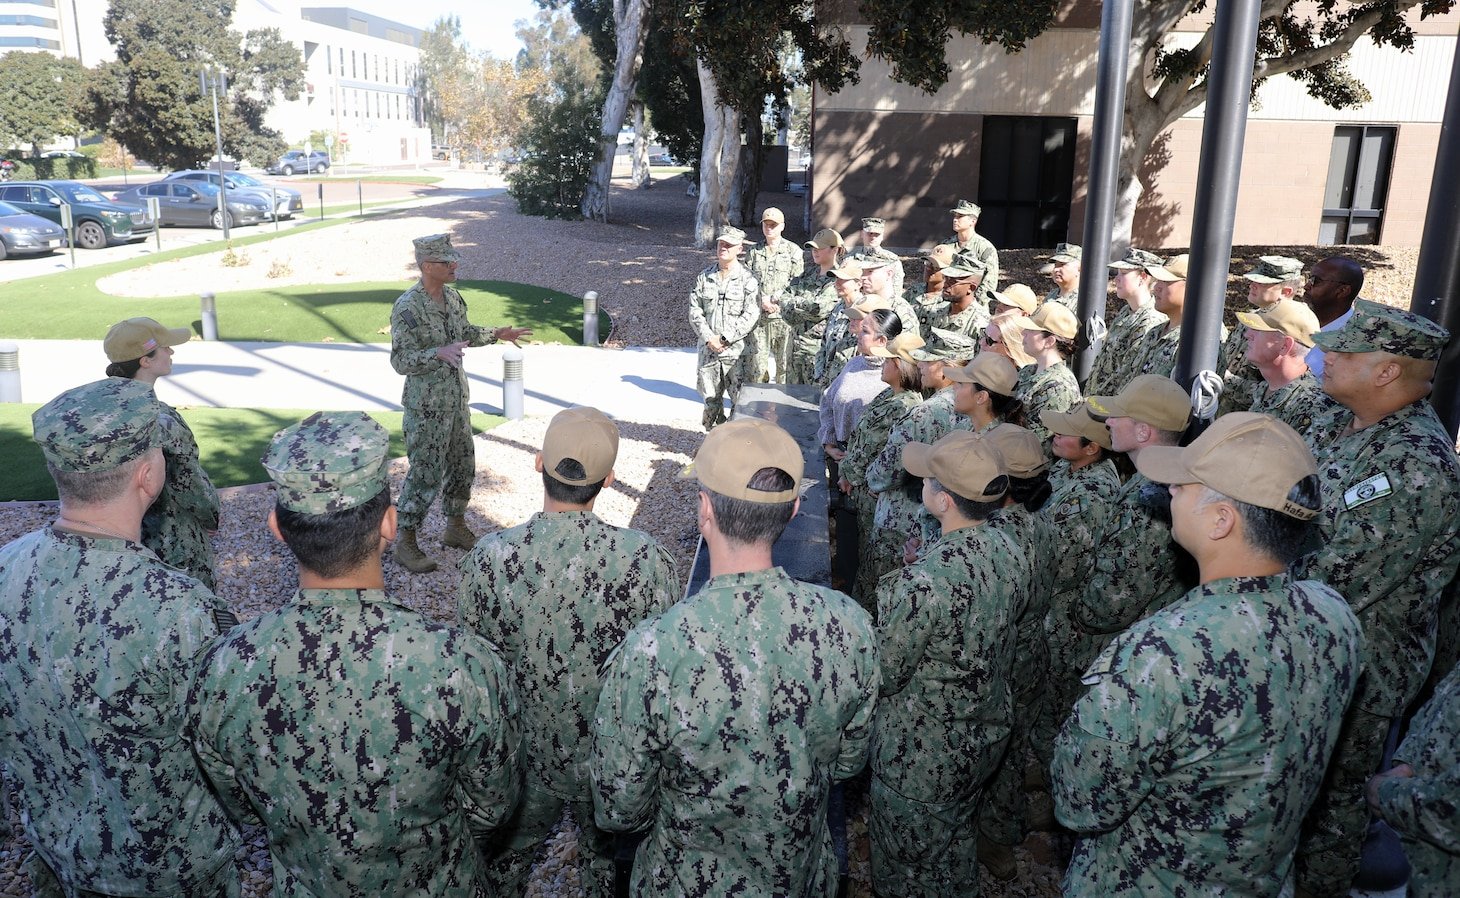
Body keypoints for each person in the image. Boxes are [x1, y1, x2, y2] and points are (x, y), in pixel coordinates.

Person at [187, 411, 523, 897]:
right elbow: (492, 804)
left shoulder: (225, 666)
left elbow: (240, 800)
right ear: (390, 524)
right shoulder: (461, 663)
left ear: (277, 528)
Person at [1054, 412, 1363, 895]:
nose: (1171, 490)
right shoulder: (1333, 616)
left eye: (1184, 484)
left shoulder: (1159, 653)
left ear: (1222, 521)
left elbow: (1080, 802)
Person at [592, 418, 881, 897]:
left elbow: (619, 807)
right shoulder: (849, 626)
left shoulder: (654, 649)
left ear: (704, 510)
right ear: (792, 512)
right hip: (801, 875)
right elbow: (848, 763)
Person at [2, 378, 240, 896]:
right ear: (148, 474)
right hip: (169, 871)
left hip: (58, 851)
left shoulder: (5, 569)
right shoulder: (181, 608)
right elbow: (231, 760)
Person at [459, 407, 679, 897]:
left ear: (538, 463)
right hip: (608, 762)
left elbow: (475, 674)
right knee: (608, 872)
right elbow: (656, 671)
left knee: (497, 871)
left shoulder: (491, 558)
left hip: (520, 758)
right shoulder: (645, 559)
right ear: (610, 479)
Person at [1292, 300, 1460, 898]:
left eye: (1344, 351)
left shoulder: (1417, 465)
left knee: (1331, 817)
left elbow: (1339, 577)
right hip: (1302, 645)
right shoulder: (1336, 420)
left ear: (1387, 371)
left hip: (1358, 669)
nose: (1326, 358)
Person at [870, 431, 1024, 898]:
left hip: (921, 756)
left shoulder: (923, 583)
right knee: (953, 845)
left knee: (906, 871)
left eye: (927, 479)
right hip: (984, 735)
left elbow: (887, 670)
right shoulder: (1011, 549)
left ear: (942, 500)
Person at [390, 232, 533, 573]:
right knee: (424, 473)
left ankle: (454, 527)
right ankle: (406, 541)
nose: (454, 265)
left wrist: (496, 334)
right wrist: (435, 353)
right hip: (426, 408)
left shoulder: (453, 299)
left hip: (456, 403)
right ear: (426, 266)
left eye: (454, 259)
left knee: (462, 466)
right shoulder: (408, 307)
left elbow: (464, 331)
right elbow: (400, 360)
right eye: (446, 261)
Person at [1070, 375, 1197, 686]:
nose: (1108, 422)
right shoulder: (1156, 483)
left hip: (1122, 659)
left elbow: (1110, 604)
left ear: (1143, 431)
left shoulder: (1152, 500)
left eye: (1117, 416)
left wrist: (1072, 613)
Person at [977, 424, 1057, 881]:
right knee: (1015, 744)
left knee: (1000, 753)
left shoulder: (994, 539)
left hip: (1004, 660)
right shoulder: (1039, 524)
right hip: (1031, 654)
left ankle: (997, 839)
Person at [1030, 402, 1121, 787]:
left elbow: (1063, 568)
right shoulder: (1072, 471)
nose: (1056, 436)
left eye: (1066, 433)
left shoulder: (1090, 495)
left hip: (1066, 621)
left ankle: (1051, 789)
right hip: (1056, 612)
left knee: (1054, 709)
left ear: (1092, 448)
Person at [103, 316, 221, 589]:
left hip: (109, 536)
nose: (171, 352)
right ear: (145, 360)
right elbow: (187, 481)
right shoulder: (161, 420)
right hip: (167, 539)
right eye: (165, 347)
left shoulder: (97, 409)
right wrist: (210, 515)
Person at [864, 341, 972, 589]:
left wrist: (872, 480)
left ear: (946, 369)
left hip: (900, 521)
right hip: (942, 523)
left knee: (878, 590)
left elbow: (887, 471)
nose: (919, 365)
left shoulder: (926, 413)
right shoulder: (969, 407)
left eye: (927, 361)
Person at [840, 333, 925, 610]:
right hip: (863, 487)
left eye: (888, 360)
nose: (882, 365)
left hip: (873, 493)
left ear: (899, 366)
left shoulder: (904, 405)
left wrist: (849, 475)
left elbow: (874, 447)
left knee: (870, 563)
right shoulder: (891, 395)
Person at [1367, 660, 1460, 897]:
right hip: (1430, 869)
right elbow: (1448, 699)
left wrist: (1387, 795)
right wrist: (1410, 762)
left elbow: (1453, 810)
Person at [690, 226, 761, 430]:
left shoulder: (749, 280)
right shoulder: (704, 277)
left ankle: (736, 447)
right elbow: (695, 311)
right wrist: (709, 338)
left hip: (736, 353)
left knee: (741, 404)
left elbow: (751, 314)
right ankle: (712, 442)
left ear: (740, 249)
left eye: (729, 245)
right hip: (708, 352)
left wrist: (724, 339)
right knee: (710, 401)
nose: (723, 247)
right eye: (721, 243)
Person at [1219, 255, 1304, 414]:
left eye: (1262, 283)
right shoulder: (1249, 319)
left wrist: (1223, 379)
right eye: (1254, 280)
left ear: (1286, 292)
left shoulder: (1295, 328)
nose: (1252, 285)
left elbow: (1278, 389)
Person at [1236, 298, 1331, 435]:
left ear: (1285, 346)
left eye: (1258, 330)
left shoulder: (1311, 408)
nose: (1247, 334)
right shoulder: (1269, 387)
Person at [1083, 247, 1167, 396]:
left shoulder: (1151, 321)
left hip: (1111, 407)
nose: (1116, 279)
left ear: (1143, 277)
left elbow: (1126, 374)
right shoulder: (1126, 312)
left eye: (1124, 273)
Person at [744, 207, 805, 384]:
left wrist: (775, 299)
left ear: (782, 226)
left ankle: (782, 406)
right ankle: (759, 404)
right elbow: (747, 281)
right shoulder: (753, 252)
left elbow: (797, 283)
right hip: (760, 318)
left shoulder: (793, 251)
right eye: (766, 224)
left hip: (784, 318)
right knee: (757, 365)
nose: (769, 228)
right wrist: (761, 299)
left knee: (785, 367)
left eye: (773, 225)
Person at [779, 228, 844, 385]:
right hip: (794, 348)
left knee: (813, 402)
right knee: (791, 398)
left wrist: (793, 304)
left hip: (816, 352)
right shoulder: (806, 275)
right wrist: (797, 305)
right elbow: (783, 300)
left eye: (820, 248)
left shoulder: (839, 278)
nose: (815, 252)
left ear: (835, 249)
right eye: (813, 248)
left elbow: (818, 308)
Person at [1016, 303, 1083, 448]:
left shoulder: (1059, 386)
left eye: (1031, 330)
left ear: (1049, 341)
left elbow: (1041, 445)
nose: (1023, 333)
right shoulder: (1029, 371)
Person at [1302, 255, 1363, 379]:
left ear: (1342, 291)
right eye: (1308, 279)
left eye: (1316, 281)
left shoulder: (1351, 343)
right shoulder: (1295, 321)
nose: (1306, 286)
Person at [810, 259, 869, 386]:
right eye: (836, 278)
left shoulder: (866, 311)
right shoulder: (838, 308)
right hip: (829, 383)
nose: (837, 283)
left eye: (843, 279)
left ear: (858, 284)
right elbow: (824, 344)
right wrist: (819, 375)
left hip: (850, 384)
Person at [948, 200, 1000, 307]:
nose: (955, 220)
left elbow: (989, 282)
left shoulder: (985, 248)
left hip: (973, 306)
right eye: (955, 216)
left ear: (973, 221)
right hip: (947, 302)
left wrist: (972, 304)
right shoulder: (947, 245)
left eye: (960, 216)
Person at [922, 260, 991, 341]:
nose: (945, 284)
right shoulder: (935, 311)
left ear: (971, 288)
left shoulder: (980, 323)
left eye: (953, 281)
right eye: (946, 278)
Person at [847, 216, 904, 297]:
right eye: (869, 233)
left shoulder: (892, 261)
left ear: (882, 237)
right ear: (862, 234)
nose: (873, 237)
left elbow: (896, 291)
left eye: (877, 234)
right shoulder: (850, 259)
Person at [1040, 243, 1081, 311]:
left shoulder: (1084, 300)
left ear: (1079, 269)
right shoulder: (1052, 295)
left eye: (1062, 264)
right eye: (1056, 265)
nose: (1056, 269)